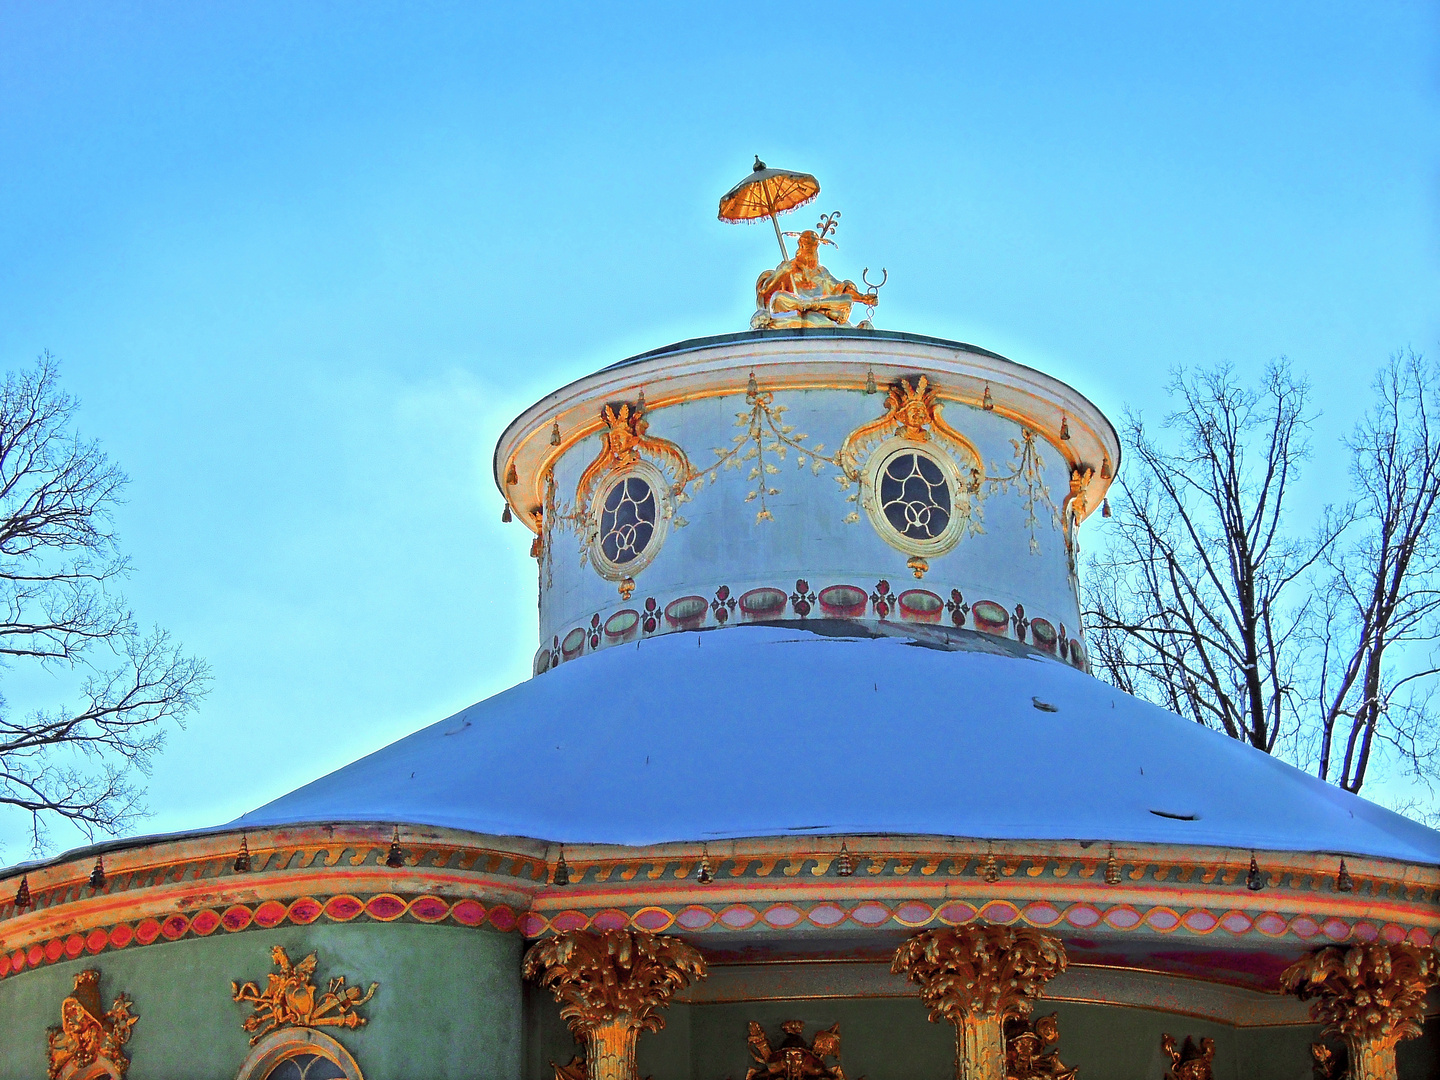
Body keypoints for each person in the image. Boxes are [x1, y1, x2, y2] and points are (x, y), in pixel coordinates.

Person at [751, 230, 878, 329]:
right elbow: (765, 291)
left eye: (811, 249)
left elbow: (841, 288)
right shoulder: (788, 267)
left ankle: (812, 307)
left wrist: (862, 298)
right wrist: (782, 272)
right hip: (795, 305)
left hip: (816, 306)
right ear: (800, 246)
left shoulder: (822, 272)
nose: (806, 253)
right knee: (779, 297)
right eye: (804, 247)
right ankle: (820, 311)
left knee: (847, 300)